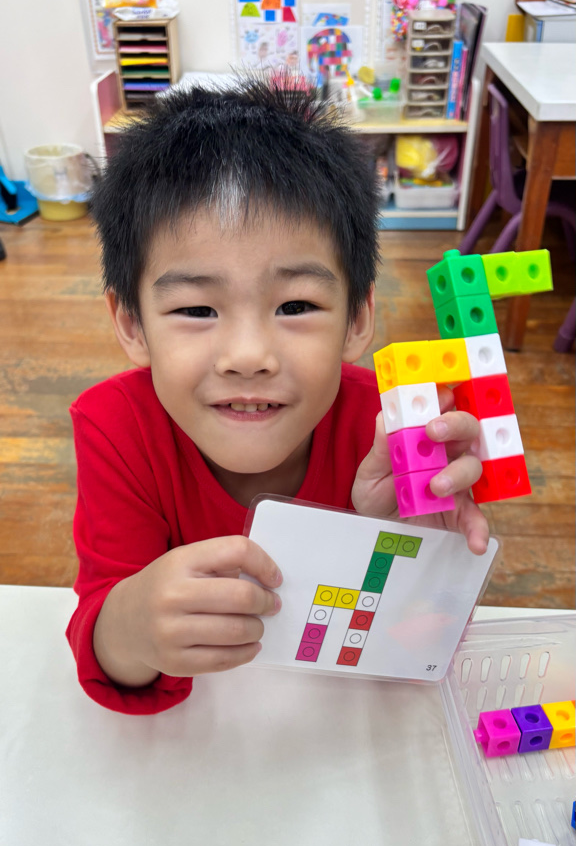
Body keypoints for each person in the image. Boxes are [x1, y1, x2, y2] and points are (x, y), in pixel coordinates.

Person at [67, 78, 488, 715]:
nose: (248, 356)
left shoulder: (392, 428)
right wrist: (132, 625)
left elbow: (426, 647)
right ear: (132, 324)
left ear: (357, 318)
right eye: (196, 309)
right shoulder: (116, 429)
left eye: (295, 306)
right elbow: (106, 648)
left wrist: (423, 548)